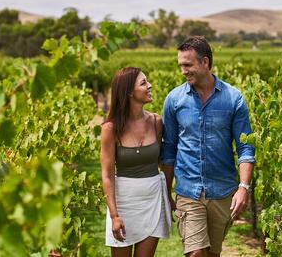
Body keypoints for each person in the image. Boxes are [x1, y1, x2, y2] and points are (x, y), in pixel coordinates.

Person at [161, 36, 255, 257]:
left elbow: (245, 147)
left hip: (222, 191)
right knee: (195, 253)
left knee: (212, 254)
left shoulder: (234, 99)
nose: (183, 70)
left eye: (188, 65)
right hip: (188, 191)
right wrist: (166, 192)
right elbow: (169, 149)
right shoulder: (174, 100)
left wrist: (243, 188)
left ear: (205, 62)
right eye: (181, 65)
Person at [100, 67, 171, 257]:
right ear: (129, 92)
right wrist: (114, 216)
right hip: (124, 203)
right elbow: (107, 175)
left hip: (152, 200)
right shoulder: (110, 129)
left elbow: (164, 162)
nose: (150, 86)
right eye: (143, 83)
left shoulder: (156, 121)